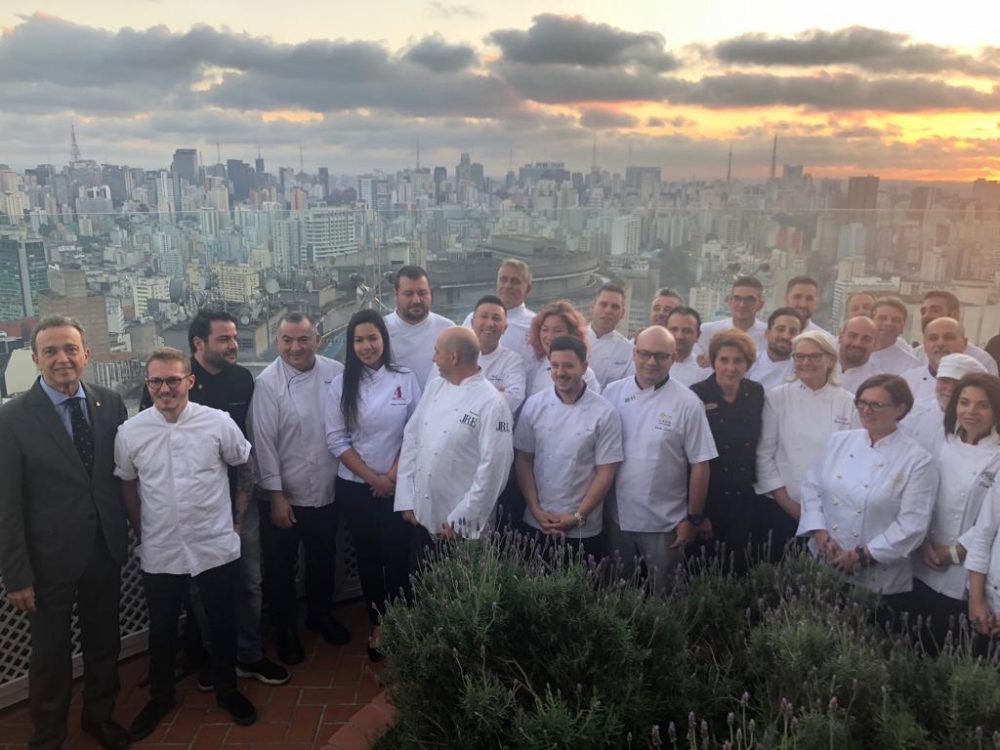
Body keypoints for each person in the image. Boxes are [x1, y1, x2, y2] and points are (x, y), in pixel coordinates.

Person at [0, 316, 130, 750]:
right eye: (51, 351)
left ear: (86, 355)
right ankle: (49, 734)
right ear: (35, 358)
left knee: (104, 642)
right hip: (47, 561)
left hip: (104, 548)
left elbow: (119, 476)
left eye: (71, 349)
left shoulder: (110, 404)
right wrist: (16, 575)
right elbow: (7, 504)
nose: (62, 359)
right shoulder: (12, 418)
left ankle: (100, 716)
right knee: (49, 654)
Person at [142, 311, 288, 691]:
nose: (234, 345)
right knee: (201, 591)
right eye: (224, 339)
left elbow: (248, 447)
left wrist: (242, 512)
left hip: (240, 501)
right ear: (198, 344)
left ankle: (249, 654)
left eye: (234, 337)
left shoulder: (243, 379)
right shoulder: (171, 383)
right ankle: (215, 657)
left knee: (249, 581)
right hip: (193, 509)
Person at [116, 348, 257, 739]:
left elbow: (245, 464)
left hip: (214, 542)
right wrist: (141, 531)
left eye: (173, 380)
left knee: (222, 621)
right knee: (162, 628)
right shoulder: (131, 432)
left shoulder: (218, 422)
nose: (165, 389)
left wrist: (237, 523)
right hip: (161, 547)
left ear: (189, 381)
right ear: (148, 385)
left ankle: (228, 690)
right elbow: (126, 483)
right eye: (156, 382)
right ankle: (161, 697)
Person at [250, 313, 349, 667]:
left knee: (323, 559)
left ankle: (320, 616)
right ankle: (285, 631)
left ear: (317, 340)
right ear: (278, 342)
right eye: (288, 340)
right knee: (280, 569)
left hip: (327, 488)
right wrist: (276, 497)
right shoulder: (267, 383)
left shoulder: (336, 372)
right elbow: (263, 443)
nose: (296, 347)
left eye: (303, 339)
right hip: (284, 494)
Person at [325, 310, 421, 662]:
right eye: (359, 340)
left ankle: (400, 619)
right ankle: (378, 623)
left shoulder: (405, 378)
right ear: (351, 346)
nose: (367, 346)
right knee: (368, 556)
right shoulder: (341, 384)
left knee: (398, 556)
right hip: (356, 487)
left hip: (398, 484)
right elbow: (336, 440)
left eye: (373, 338)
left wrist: (392, 476)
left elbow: (415, 432)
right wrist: (373, 479)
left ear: (384, 339)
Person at [798, 375, 937, 603]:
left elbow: (913, 523)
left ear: (900, 409)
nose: (866, 410)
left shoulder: (917, 460)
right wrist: (820, 533)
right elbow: (812, 487)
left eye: (877, 405)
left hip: (878, 577)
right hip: (825, 561)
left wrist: (861, 556)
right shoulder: (839, 441)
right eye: (862, 402)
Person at [603, 326, 716, 591]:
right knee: (616, 594)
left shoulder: (688, 403)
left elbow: (701, 465)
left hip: (667, 524)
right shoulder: (612, 393)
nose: (651, 362)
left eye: (661, 356)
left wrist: (693, 519)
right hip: (617, 518)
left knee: (665, 597)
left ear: (672, 358)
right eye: (645, 354)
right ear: (634, 354)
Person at [394, 327, 514, 545]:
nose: (433, 359)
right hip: (422, 518)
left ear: (454, 357)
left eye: (437, 352)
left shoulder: (492, 404)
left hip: (462, 533)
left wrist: (462, 522)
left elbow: (494, 469)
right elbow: (412, 438)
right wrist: (406, 499)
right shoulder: (435, 387)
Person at [911, 373, 1000, 652]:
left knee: (945, 646)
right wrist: (922, 541)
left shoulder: (997, 454)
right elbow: (920, 495)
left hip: (965, 567)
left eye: (983, 405)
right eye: (964, 402)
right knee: (910, 643)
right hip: (922, 558)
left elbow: (990, 522)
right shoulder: (940, 440)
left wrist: (955, 551)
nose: (971, 411)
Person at [516, 336, 624, 560]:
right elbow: (524, 460)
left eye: (568, 366)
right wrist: (535, 509)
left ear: (584, 367)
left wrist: (577, 517)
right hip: (537, 521)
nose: (560, 372)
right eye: (555, 366)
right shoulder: (534, 405)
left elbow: (606, 473)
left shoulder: (605, 412)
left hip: (583, 527)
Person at [755, 331, 856, 555]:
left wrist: (819, 515)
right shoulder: (777, 397)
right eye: (799, 356)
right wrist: (789, 505)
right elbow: (764, 454)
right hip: (781, 508)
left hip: (831, 513)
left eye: (814, 356)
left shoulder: (848, 402)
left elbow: (853, 460)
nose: (805, 363)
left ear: (831, 360)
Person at [691, 329, 766, 573]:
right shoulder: (697, 394)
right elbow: (691, 458)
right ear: (713, 362)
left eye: (738, 361)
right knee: (703, 569)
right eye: (724, 360)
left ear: (748, 364)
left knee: (739, 569)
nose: (730, 368)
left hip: (745, 498)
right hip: (710, 495)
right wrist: (700, 514)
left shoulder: (756, 393)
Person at [900, 353, 986, 456]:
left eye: (958, 383)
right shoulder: (914, 411)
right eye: (945, 381)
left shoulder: (978, 422)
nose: (950, 388)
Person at [384, 265, 455, 387]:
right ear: (396, 294)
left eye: (422, 293)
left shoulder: (447, 329)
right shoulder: (382, 329)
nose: (416, 300)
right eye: (409, 294)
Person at [462, 259, 534, 364]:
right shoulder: (473, 318)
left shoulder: (535, 325)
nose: (508, 286)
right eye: (503, 280)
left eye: (515, 281)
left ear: (528, 288)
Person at [524, 300, 601, 397]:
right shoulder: (533, 367)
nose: (549, 336)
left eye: (557, 331)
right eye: (545, 330)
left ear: (572, 334)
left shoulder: (584, 374)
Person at [915, 290, 998, 375]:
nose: (926, 316)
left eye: (935, 310)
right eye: (923, 312)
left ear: (954, 314)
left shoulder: (982, 360)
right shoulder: (916, 356)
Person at [469, 295, 527, 414]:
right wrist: (496, 393)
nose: (490, 323)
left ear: (505, 328)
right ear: (472, 323)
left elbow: (514, 399)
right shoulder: (456, 356)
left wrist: (469, 396)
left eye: (496, 318)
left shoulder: (512, 361)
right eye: (484, 316)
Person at [902, 317, 969, 405]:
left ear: (964, 343)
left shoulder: (978, 383)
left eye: (948, 337)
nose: (940, 343)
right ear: (924, 345)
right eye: (933, 338)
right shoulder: (906, 383)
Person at [698, 276, 768, 355]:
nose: (742, 304)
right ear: (729, 302)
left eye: (750, 299)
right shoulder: (708, 331)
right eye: (737, 298)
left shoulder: (769, 335)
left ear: (760, 305)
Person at [586, 283, 635, 389]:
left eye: (615, 307)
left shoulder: (629, 351)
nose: (608, 310)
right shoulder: (574, 339)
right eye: (603, 304)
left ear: (622, 313)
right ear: (592, 307)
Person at [747, 307, 803, 391]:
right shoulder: (748, 362)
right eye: (780, 329)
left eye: (793, 332)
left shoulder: (801, 369)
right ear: (767, 333)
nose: (786, 336)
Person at [868, 297, 920, 375]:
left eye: (896, 320)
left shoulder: (912, 367)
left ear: (903, 326)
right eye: (882, 318)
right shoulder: (854, 354)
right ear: (870, 321)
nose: (889, 323)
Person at [665, 306, 713, 387]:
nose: (679, 336)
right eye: (674, 329)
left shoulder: (706, 371)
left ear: (698, 335)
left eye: (687, 331)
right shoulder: (652, 365)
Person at [837, 316, 879, 393]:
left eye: (866, 339)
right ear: (840, 337)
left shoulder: (878, 383)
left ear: (875, 344)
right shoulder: (819, 369)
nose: (858, 344)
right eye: (852, 336)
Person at [785, 276, 834, 342]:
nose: (803, 304)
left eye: (809, 299)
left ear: (816, 303)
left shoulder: (825, 340)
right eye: (797, 297)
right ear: (786, 299)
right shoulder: (770, 334)